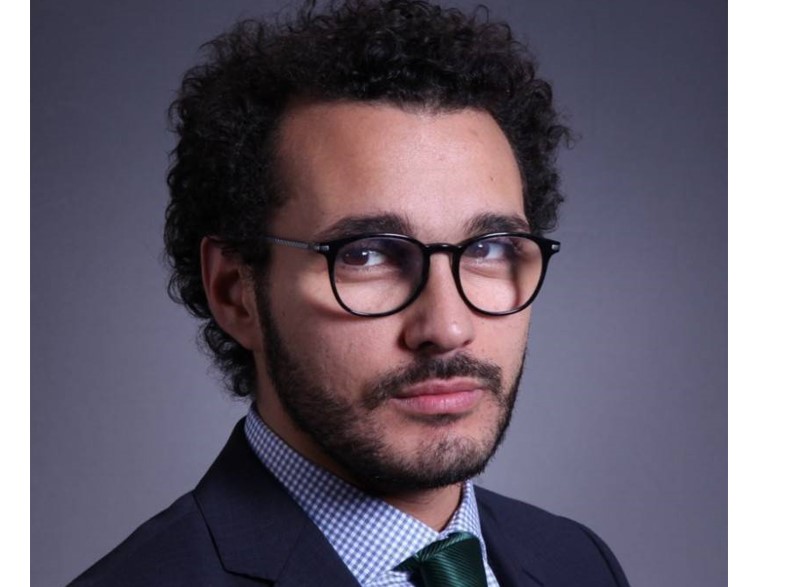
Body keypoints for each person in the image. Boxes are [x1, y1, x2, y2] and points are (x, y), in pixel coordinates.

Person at [70, 1, 630, 585]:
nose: (448, 327)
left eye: (489, 249)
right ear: (236, 292)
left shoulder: (577, 561)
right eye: (367, 255)